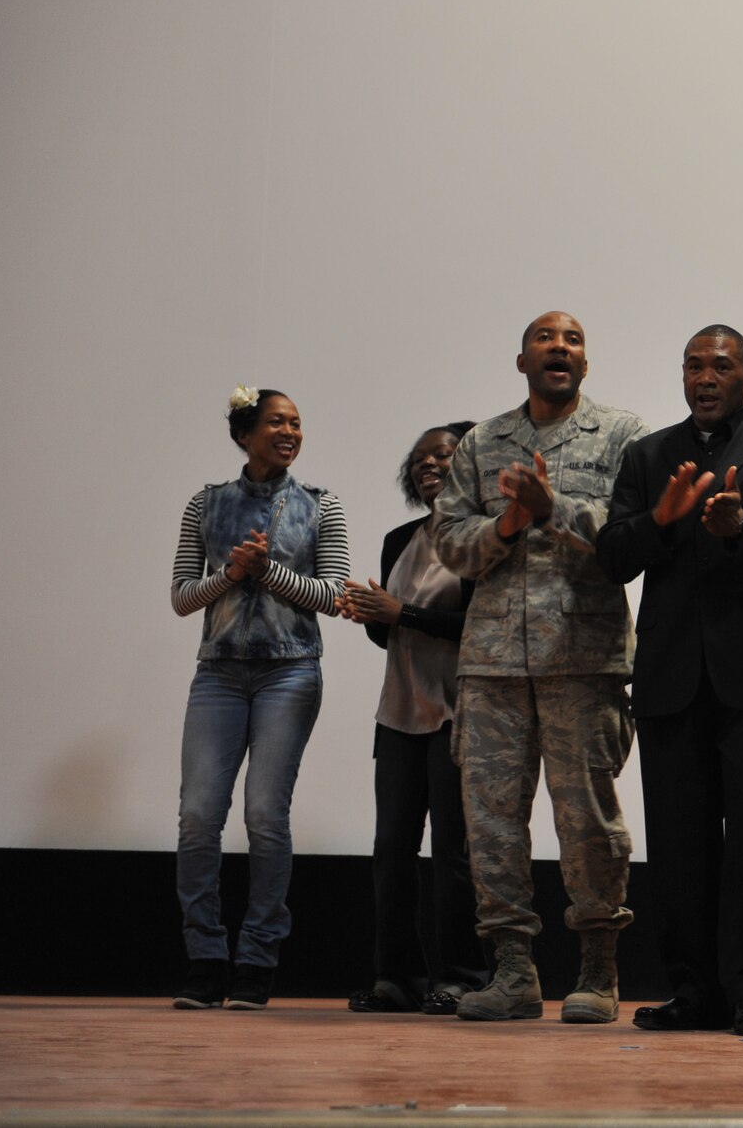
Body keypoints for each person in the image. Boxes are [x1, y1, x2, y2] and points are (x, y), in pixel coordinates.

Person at [597, 324, 743, 1038]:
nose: (705, 377)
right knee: (678, 841)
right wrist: (660, 522)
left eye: (720, 365)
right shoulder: (648, 453)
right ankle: (693, 989)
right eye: (694, 365)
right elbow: (611, 555)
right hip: (671, 676)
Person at [432, 312, 647, 1023]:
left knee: (586, 818)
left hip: (581, 658)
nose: (561, 348)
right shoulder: (481, 442)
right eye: (547, 340)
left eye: (575, 339)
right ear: (521, 359)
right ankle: (513, 969)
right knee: (490, 821)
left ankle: (597, 969)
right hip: (492, 662)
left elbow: (631, 534)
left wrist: (554, 508)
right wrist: (506, 524)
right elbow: (450, 542)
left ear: (586, 360)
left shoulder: (622, 436)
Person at [170, 387, 350, 1010]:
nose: (291, 431)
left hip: (290, 673)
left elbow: (333, 596)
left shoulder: (321, 505)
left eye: (298, 423)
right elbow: (181, 597)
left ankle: (256, 960)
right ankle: (205, 958)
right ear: (246, 433)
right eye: (277, 421)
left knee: (265, 818)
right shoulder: (207, 502)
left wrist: (268, 572)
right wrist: (232, 574)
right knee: (198, 819)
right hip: (218, 674)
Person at [341, 421, 486, 1015]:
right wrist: (374, 615)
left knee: (454, 853)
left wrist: (404, 612)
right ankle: (395, 978)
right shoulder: (400, 536)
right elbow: (390, 636)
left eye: (444, 456)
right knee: (390, 850)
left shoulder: (483, 540)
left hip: (460, 713)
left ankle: (463, 976)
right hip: (399, 711)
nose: (430, 464)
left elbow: (480, 629)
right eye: (421, 458)